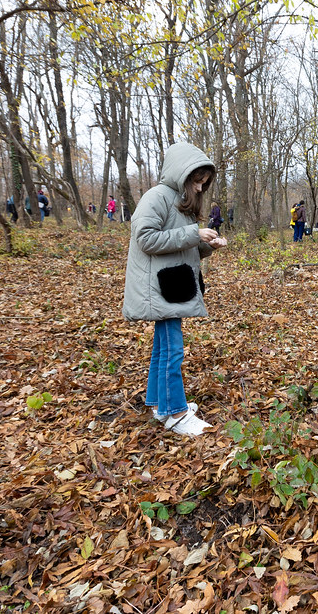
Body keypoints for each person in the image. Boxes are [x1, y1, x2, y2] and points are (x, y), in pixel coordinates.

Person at [123, 142, 228, 437]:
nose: (199, 188)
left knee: (162, 349)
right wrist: (193, 233)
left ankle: (159, 403)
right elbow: (146, 238)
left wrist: (207, 244)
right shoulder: (157, 197)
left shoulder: (180, 201)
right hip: (160, 287)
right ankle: (175, 413)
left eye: (203, 183)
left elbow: (181, 247)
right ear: (181, 173)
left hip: (173, 284)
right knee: (172, 351)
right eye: (196, 181)